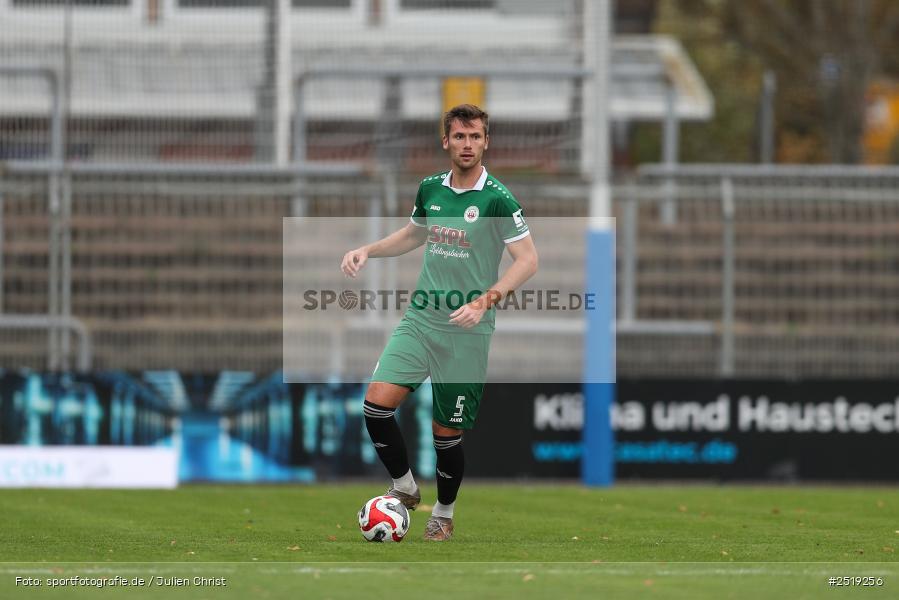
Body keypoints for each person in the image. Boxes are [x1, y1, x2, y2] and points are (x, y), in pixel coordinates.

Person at [340, 104, 538, 541]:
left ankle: (443, 514)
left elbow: (528, 260)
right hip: (422, 319)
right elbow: (414, 233)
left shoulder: (497, 199)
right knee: (375, 405)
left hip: (466, 331)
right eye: (460, 136)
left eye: (475, 137)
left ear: (486, 142)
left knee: (445, 435)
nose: (467, 144)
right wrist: (368, 250)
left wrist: (485, 302)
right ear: (445, 141)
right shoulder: (430, 188)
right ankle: (405, 487)